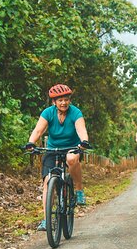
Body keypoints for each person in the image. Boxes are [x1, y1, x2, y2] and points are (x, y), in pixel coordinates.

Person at [25, 84, 91, 231]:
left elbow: (81, 129)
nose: (63, 103)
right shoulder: (48, 113)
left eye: (66, 99)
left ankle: (79, 190)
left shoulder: (75, 113)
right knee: (48, 182)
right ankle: (46, 220)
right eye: (60, 100)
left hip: (73, 147)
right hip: (52, 148)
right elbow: (38, 130)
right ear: (54, 102)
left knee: (72, 159)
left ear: (69, 100)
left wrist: (84, 141)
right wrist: (31, 142)